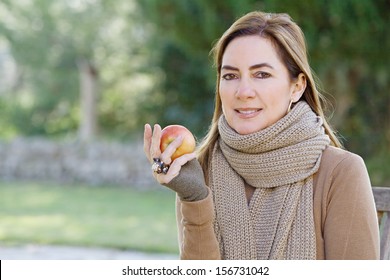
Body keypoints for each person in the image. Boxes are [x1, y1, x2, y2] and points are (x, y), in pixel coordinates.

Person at [143, 11, 380, 260]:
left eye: (262, 74)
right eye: (230, 76)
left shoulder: (340, 172)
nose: (244, 91)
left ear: (297, 87)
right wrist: (194, 197)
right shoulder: (199, 171)